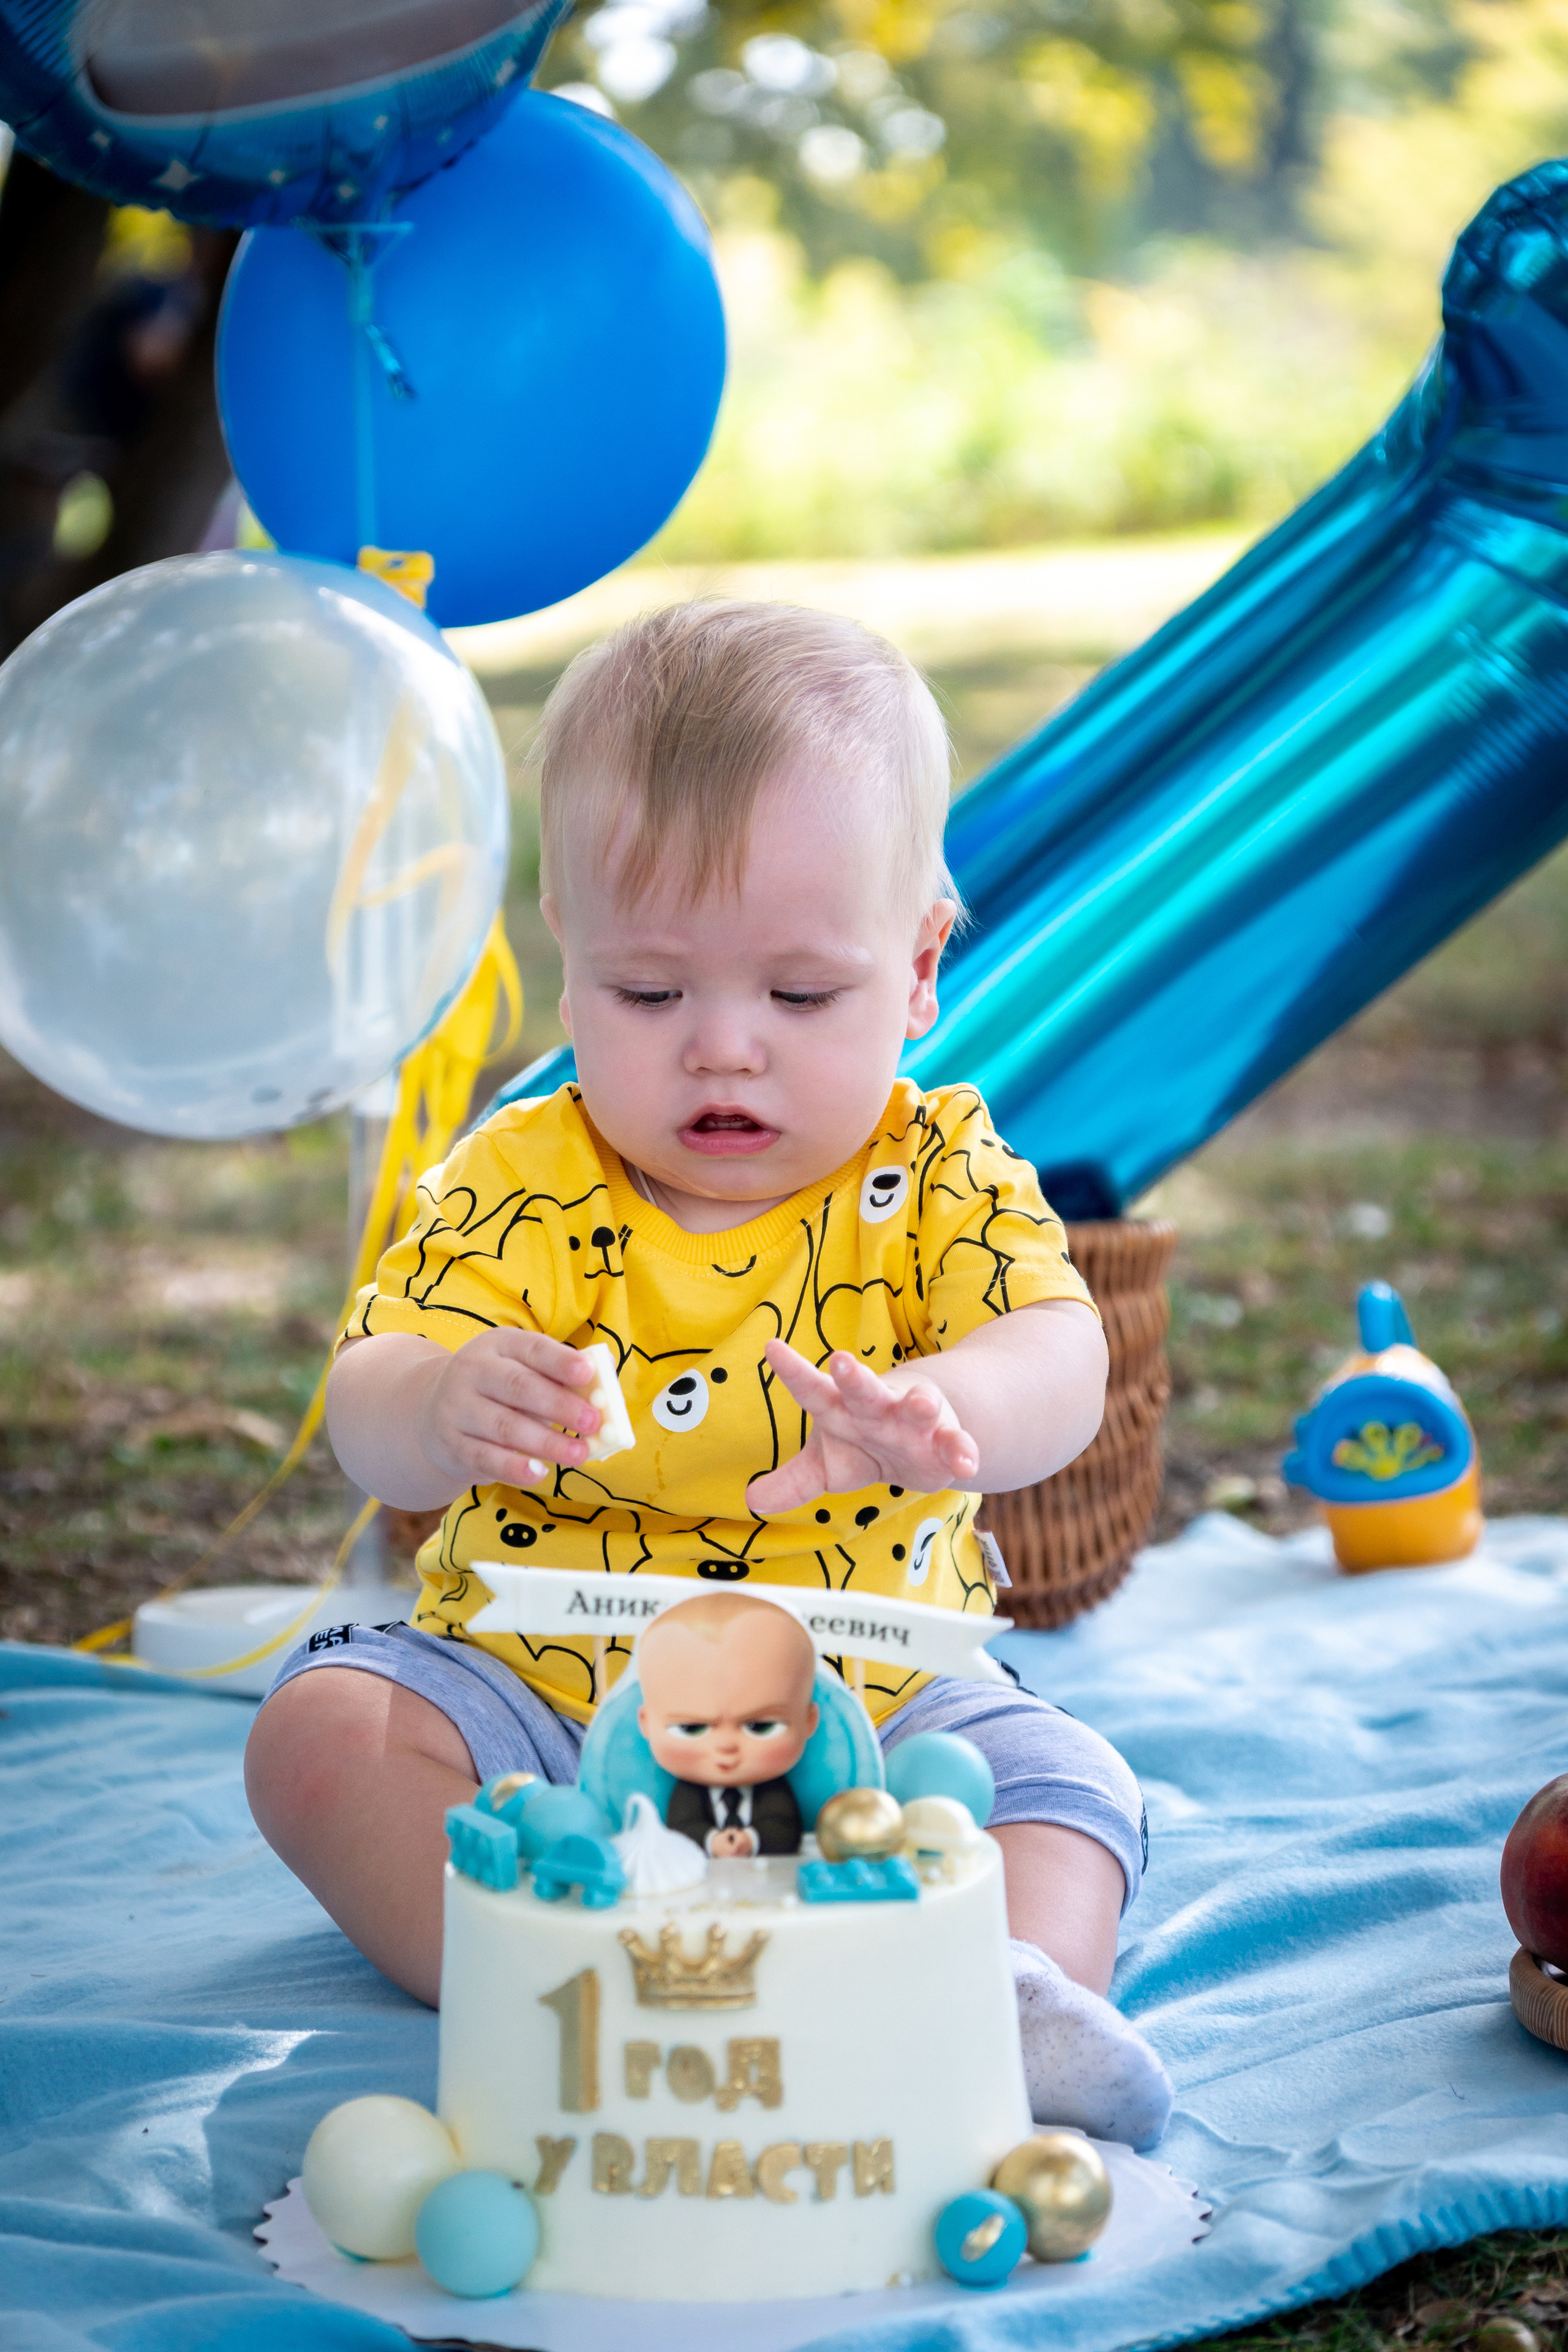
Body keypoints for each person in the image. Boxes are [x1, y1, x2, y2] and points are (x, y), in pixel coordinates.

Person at [245, 600, 1173, 2151]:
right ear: (568, 960)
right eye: (649, 993)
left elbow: (1059, 1354)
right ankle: (553, 1972)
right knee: (320, 1733)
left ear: (920, 963)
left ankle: (983, 1989)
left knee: (1065, 1789)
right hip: (538, 1712)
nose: (721, 1048)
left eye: (798, 996)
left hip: (875, 1709)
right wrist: (437, 1400)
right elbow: (368, 1397)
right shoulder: (522, 1174)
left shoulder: (936, 1168)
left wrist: (953, 1411)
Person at [636, 1590, 819, 1857]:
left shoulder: (773, 1790)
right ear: (646, 1724)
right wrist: (712, 1842)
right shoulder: (688, 1791)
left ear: (809, 1721)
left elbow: (785, 1830)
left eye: (760, 1726)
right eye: (692, 1728)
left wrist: (752, 1840)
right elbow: (682, 1829)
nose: (726, 1746)